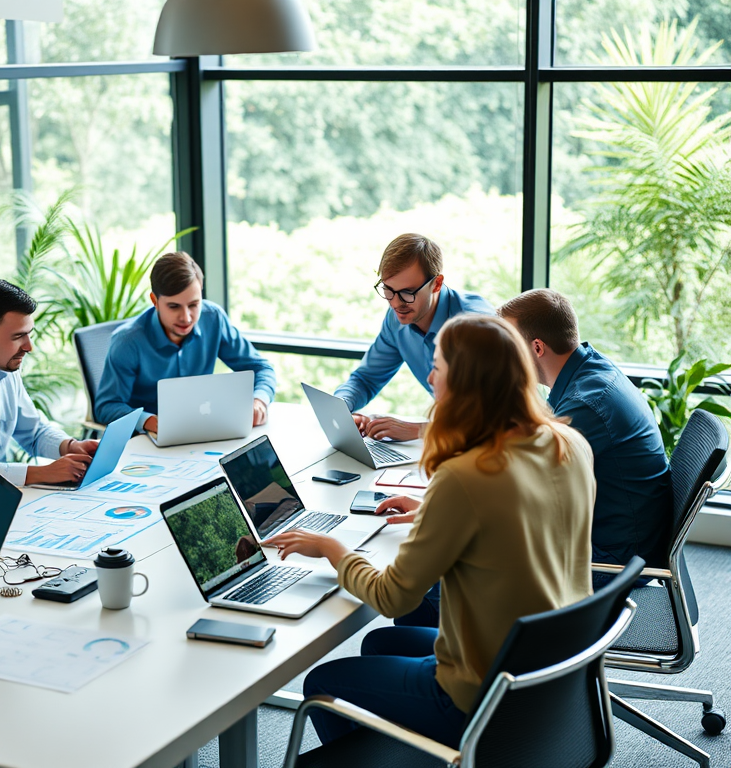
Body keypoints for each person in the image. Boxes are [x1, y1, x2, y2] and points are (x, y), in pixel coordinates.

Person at [266, 314, 594, 748]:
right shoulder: (568, 443)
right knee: (382, 644)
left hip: (480, 691)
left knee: (324, 681)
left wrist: (332, 548)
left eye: (437, 366)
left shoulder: (465, 477)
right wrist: (433, 513)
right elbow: (519, 516)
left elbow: (392, 597)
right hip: (551, 669)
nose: (429, 375)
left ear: (462, 386)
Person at [498, 288, 671, 573]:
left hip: (612, 560)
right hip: (625, 538)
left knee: (445, 579)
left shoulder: (584, 406)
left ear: (537, 348)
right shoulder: (590, 370)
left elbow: (526, 488)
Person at [95, 251, 277, 434]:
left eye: (194, 305)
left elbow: (262, 369)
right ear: (155, 301)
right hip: (148, 439)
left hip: (203, 428)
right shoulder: (128, 341)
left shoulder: (213, 318)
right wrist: (149, 421)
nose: (186, 317)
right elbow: (106, 407)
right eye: (174, 306)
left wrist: (259, 400)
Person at [335, 233, 492, 441]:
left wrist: (418, 430)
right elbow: (366, 379)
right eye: (388, 290)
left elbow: (496, 417)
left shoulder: (477, 324)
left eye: (408, 293)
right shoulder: (396, 320)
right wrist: (340, 409)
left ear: (436, 284)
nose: (395, 304)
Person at [0, 279, 99, 487]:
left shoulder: (7, 371)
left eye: (29, 334)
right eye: (18, 337)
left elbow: (33, 432)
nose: (29, 346)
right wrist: (40, 473)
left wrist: (70, 446)